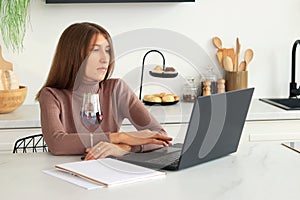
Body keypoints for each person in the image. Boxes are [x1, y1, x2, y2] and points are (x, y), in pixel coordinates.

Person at [36, 22, 172, 160]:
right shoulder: (51, 96)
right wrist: (120, 137)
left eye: (107, 50)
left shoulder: (117, 89)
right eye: (95, 50)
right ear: (72, 55)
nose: (105, 58)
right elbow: (57, 143)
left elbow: (161, 136)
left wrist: (124, 148)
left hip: (108, 172)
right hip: (63, 172)